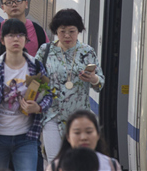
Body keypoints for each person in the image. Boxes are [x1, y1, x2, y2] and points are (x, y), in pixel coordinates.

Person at [0, 18, 52, 171]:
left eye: (20, 35)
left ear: (26, 40)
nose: (15, 39)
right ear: (3, 41)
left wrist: (38, 107)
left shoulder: (35, 66)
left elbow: (49, 95)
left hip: (27, 138)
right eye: (10, 35)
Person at [36, 9, 104, 164]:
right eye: (62, 31)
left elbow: (100, 84)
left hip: (79, 118)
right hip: (51, 115)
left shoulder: (87, 52)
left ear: (79, 31)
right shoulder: (45, 51)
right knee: (55, 161)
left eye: (72, 31)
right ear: (55, 31)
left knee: (79, 161)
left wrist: (93, 78)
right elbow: (35, 78)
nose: (67, 36)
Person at [46, 110, 121, 171]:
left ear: (98, 135)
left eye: (89, 132)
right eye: (77, 133)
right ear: (68, 137)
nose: (83, 138)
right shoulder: (55, 167)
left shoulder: (111, 165)